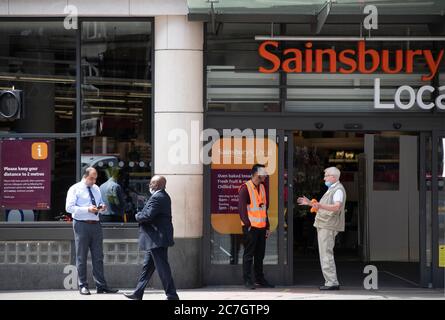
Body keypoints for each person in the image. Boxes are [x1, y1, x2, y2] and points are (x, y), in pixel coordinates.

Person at [124, 175, 179, 300]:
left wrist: (137, 216)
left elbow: (147, 216)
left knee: (162, 267)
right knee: (147, 267)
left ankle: (172, 295)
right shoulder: (160, 196)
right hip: (155, 238)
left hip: (156, 239)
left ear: (158, 185)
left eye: (152, 183)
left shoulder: (158, 197)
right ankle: (138, 293)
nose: (149, 185)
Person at [65, 167, 119, 295]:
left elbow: (100, 202)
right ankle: (83, 285)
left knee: (98, 256)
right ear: (85, 176)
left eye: (95, 178)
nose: (94, 181)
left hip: (96, 225)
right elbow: (69, 207)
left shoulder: (96, 188)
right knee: (81, 256)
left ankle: (101, 286)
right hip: (81, 224)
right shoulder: (75, 188)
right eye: (92, 178)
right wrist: (87, 209)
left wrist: (102, 207)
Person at [297, 166, 346, 290]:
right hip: (325, 224)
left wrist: (319, 205)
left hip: (328, 225)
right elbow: (324, 206)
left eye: (326, 175)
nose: (324, 178)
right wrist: (310, 203)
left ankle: (332, 282)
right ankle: (330, 281)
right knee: (325, 253)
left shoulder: (338, 190)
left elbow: (336, 207)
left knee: (326, 254)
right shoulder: (332, 189)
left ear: (333, 177)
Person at [238, 164, 274, 289]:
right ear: (256, 174)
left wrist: (267, 226)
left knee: (260, 255)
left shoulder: (263, 187)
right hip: (251, 228)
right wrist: (247, 226)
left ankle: (260, 279)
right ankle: (247, 280)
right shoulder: (245, 188)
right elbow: (242, 210)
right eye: (263, 173)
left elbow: (264, 209)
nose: (265, 175)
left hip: (262, 227)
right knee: (249, 255)